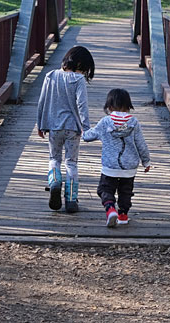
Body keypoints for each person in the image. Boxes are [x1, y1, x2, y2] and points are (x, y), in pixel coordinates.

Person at [36, 45, 95, 213]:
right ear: (79, 65)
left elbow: (41, 101)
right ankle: (70, 200)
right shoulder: (78, 80)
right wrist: (86, 128)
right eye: (84, 69)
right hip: (72, 129)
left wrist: (40, 123)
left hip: (54, 127)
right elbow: (82, 105)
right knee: (71, 162)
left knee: (54, 159)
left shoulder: (50, 75)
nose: (84, 73)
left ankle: (54, 181)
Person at [82, 88, 151, 228]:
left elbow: (89, 136)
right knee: (126, 192)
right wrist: (146, 161)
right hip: (129, 167)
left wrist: (83, 133)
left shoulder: (105, 122)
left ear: (109, 106)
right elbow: (141, 144)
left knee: (104, 190)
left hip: (110, 166)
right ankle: (123, 215)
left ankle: (110, 209)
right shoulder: (134, 122)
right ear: (128, 106)